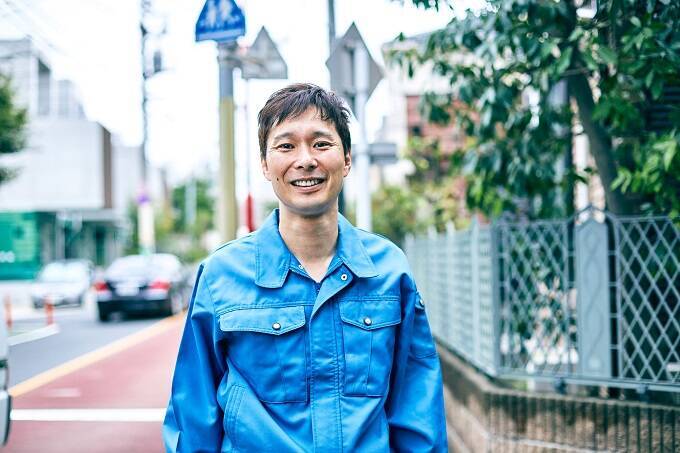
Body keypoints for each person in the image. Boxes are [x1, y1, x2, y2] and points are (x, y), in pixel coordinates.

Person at [162, 83, 447, 452]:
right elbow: (193, 414)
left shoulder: (388, 269)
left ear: (347, 159)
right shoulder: (221, 275)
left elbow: (416, 403)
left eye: (321, 143)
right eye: (286, 146)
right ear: (265, 165)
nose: (305, 160)